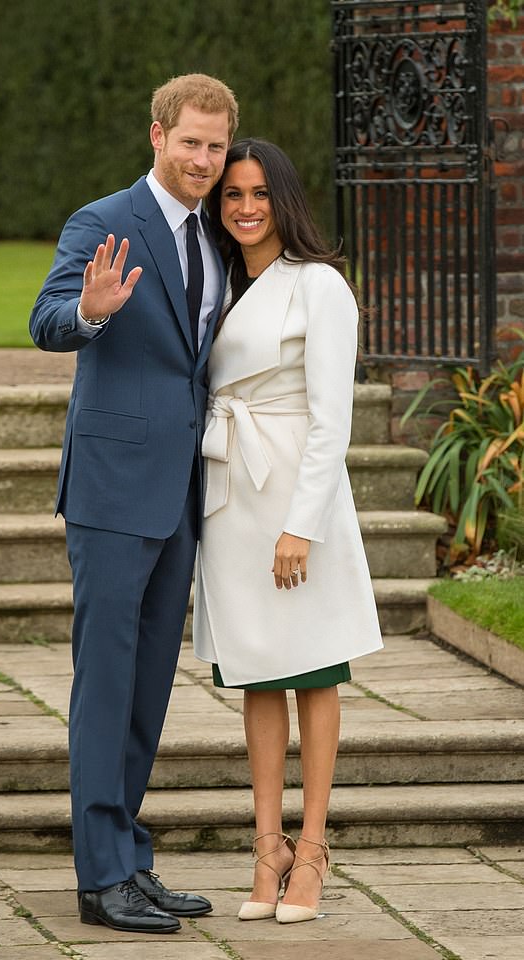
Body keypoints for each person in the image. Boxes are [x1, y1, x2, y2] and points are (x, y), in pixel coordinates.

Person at [29, 74, 238, 934]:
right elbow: (45, 319)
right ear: (157, 135)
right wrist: (88, 308)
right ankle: (99, 877)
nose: (203, 159)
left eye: (216, 146)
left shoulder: (220, 236)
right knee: (106, 680)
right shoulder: (103, 221)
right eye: (190, 141)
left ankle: (128, 858)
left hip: (183, 493)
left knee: (149, 684)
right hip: (114, 491)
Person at [193, 139, 383, 924]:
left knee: (314, 669)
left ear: (284, 199)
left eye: (259, 193)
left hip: (296, 500)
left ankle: (311, 851)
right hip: (233, 495)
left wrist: (301, 527)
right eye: (231, 194)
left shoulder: (320, 286)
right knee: (257, 674)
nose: (243, 206)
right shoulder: (216, 282)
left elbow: (331, 421)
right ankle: (265, 848)